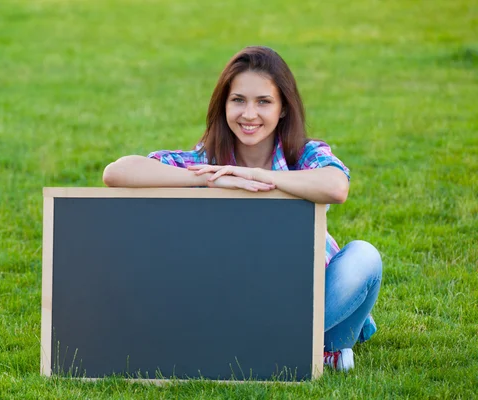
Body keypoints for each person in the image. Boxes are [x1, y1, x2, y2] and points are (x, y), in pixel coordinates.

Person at [102, 46, 382, 372]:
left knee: (364, 257)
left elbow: (336, 187)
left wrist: (258, 176)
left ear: (283, 110)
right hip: (237, 306)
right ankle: (303, 354)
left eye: (263, 102)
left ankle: (275, 348)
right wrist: (208, 181)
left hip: (312, 300)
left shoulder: (303, 155)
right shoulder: (209, 161)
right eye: (238, 100)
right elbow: (117, 172)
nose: (249, 114)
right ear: (224, 106)